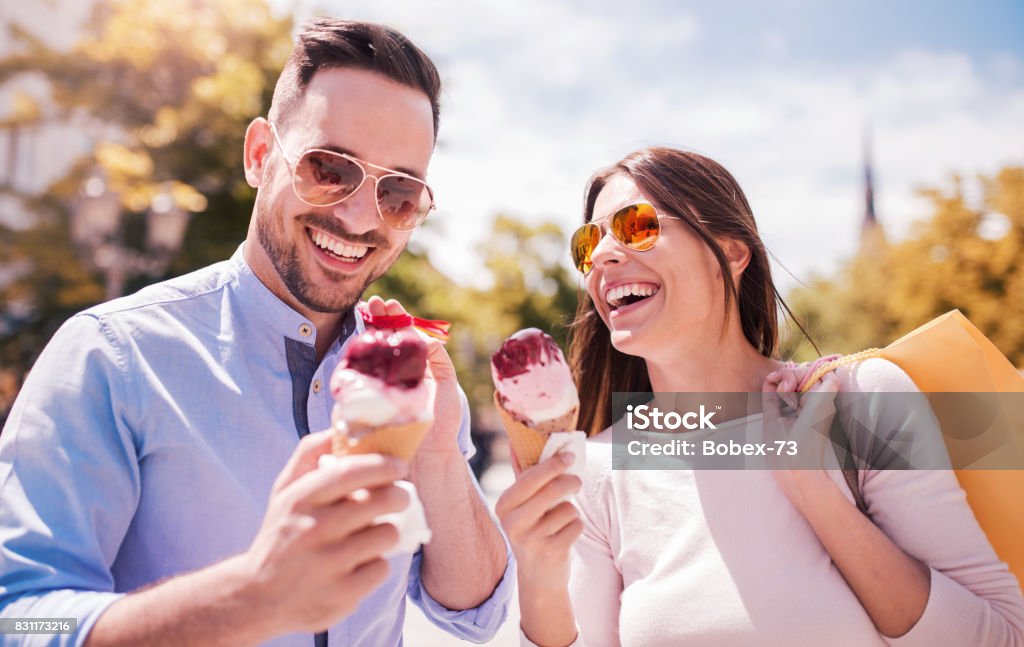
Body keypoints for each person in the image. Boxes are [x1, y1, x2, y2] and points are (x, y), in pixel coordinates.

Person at [0, 19, 511, 647]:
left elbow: (477, 614)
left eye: (399, 194)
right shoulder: (111, 354)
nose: (358, 217)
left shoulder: (410, 371)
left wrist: (436, 455)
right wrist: (251, 598)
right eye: (329, 168)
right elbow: (20, 617)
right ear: (261, 156)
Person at [496, 146, 1024, 645]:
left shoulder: (860, 401)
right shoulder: (594, 472)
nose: (604, 257)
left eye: (637, 226)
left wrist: (817, 495)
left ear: (730, 251)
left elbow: (1001, 636)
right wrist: (538, 578)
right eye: (588, 245)